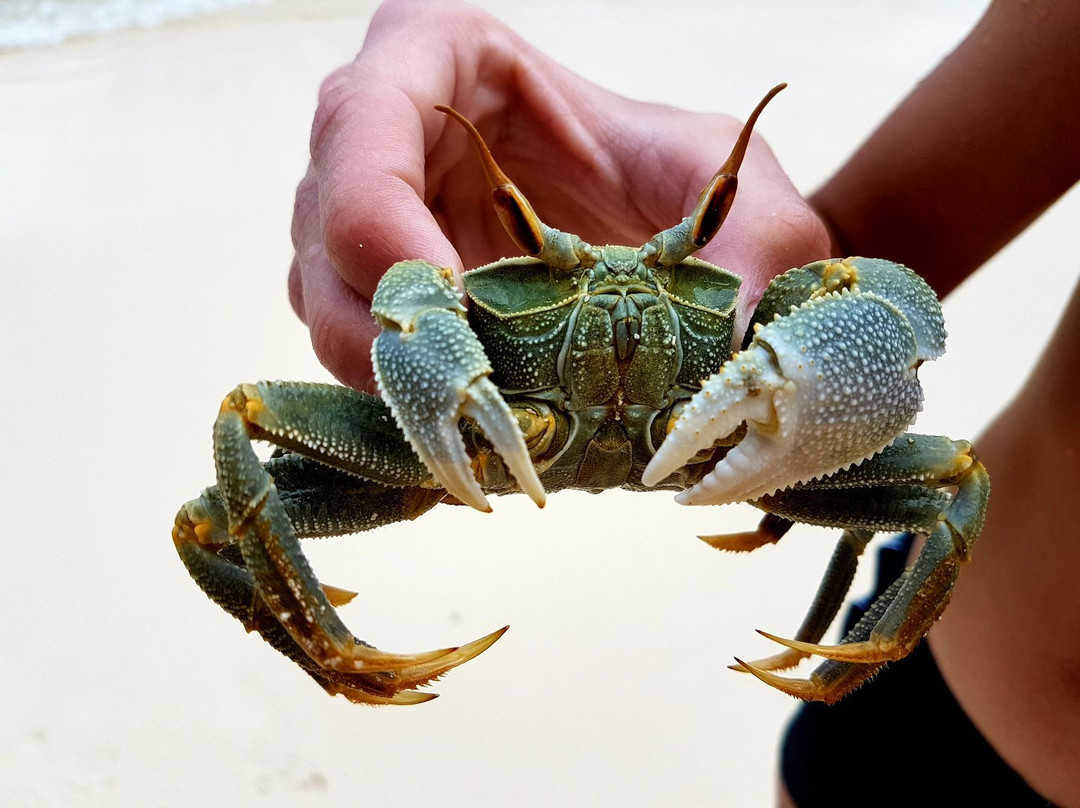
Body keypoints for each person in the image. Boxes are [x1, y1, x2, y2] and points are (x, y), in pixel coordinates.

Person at [287, 1, 1080, 804]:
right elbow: (864, 263)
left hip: (911, 657)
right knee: (235, 472)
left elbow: (943, 472)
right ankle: (332, 647)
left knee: (949, 482)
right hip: (940, 717)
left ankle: (859, 653)